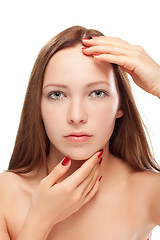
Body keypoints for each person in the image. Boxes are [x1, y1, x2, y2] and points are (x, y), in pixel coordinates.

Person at [0, 26, 160, 240]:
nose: (76, 116)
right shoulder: (6, 193)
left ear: (121, 104)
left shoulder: (147, 191)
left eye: (97, 93)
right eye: (57, 94)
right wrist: (39, 220)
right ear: (37, 105)